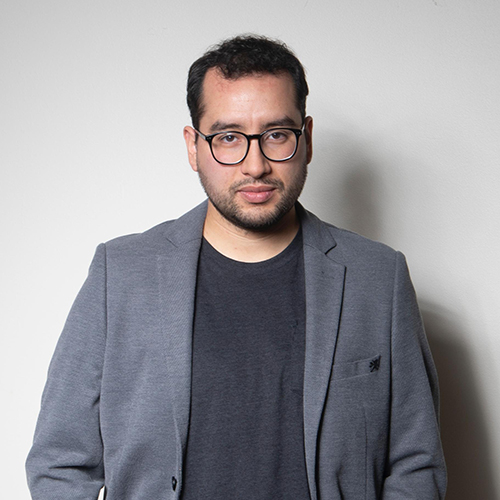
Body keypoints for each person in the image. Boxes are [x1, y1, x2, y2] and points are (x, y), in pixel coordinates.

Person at [26, 35, 446, 499]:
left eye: (277, 135)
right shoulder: (121, 275)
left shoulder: (378, 278)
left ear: (307, 139)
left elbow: (416, 462)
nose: (255, 165)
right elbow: (60, 461)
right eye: (228, 138)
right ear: (193, 147)